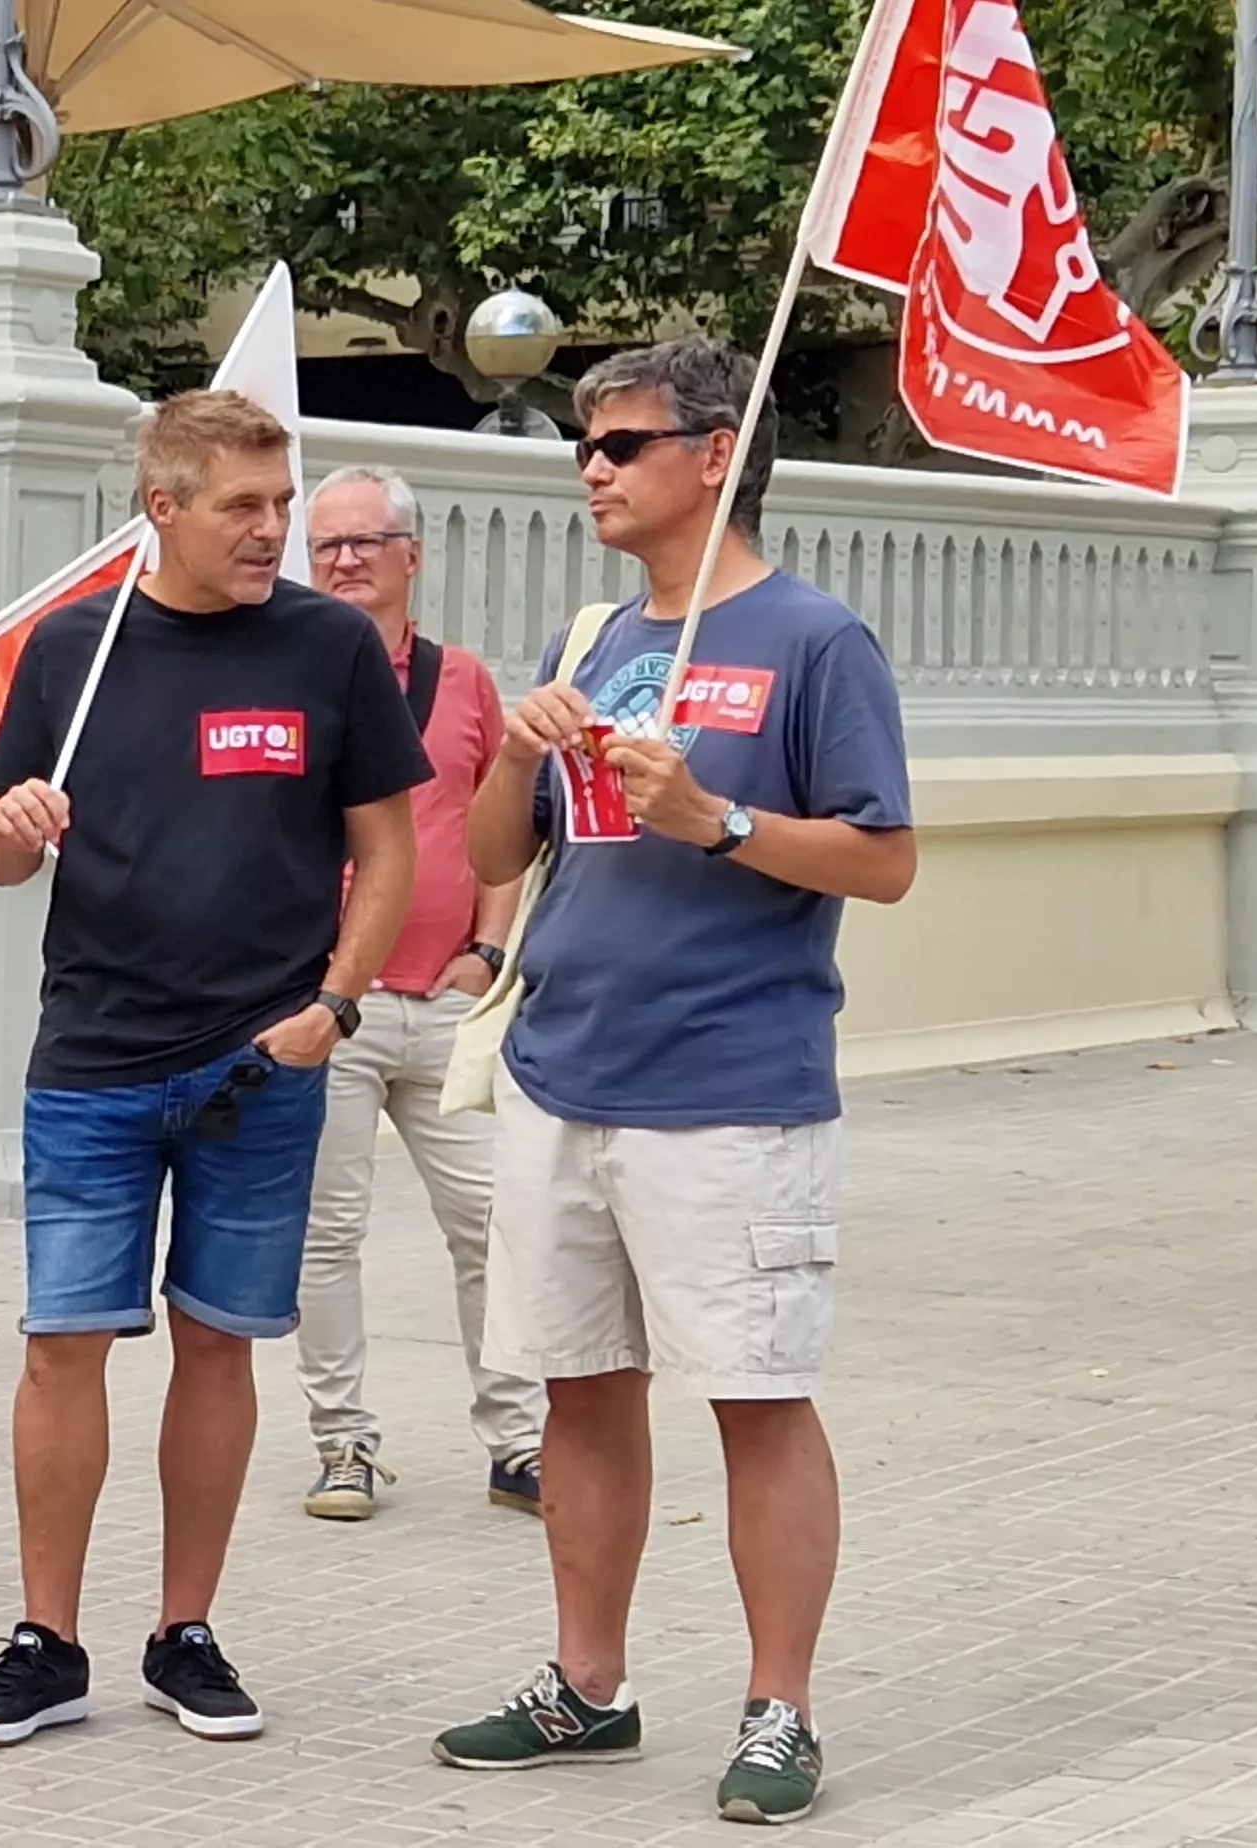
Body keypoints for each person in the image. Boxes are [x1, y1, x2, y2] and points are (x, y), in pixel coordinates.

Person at [431, 339, 914, 1829]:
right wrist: (517, 749)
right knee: (580, 1392)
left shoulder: (815, 641)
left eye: (625, 443)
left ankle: (782, 1709)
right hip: (564, 1069)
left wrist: (715, 820)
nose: (594, 467)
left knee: (758, 1399)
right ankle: (588, 1682)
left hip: (730, 1088)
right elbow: (503, 860)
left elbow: (884, 859)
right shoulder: (593, 636)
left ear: (715, 452)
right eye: (587, 443)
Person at [0, 390, 427, 1751]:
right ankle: (48, 1641)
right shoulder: (70, 648)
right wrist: (11, 823)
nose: (275, 531)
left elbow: (384, 852)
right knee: (63, 1346)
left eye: (282, 503)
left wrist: (334, 1005)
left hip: (264, 1063)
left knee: (221, 1346)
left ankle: (186, 1632)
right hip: (93, 1055)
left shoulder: (330, 648)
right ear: (161, 508)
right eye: (244, 507)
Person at [290, 465, 548, 1523]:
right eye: (328, 546)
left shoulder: (464, 680)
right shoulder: (288, 673)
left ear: (411, 555)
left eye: (366, 542)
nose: (345, 560)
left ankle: (521, 1443)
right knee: (325, 1234)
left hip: (445, 1001)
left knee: (497, 1222)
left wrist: (489, 950)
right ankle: (342, 1442)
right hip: (332, 1002)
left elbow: (500, 829)